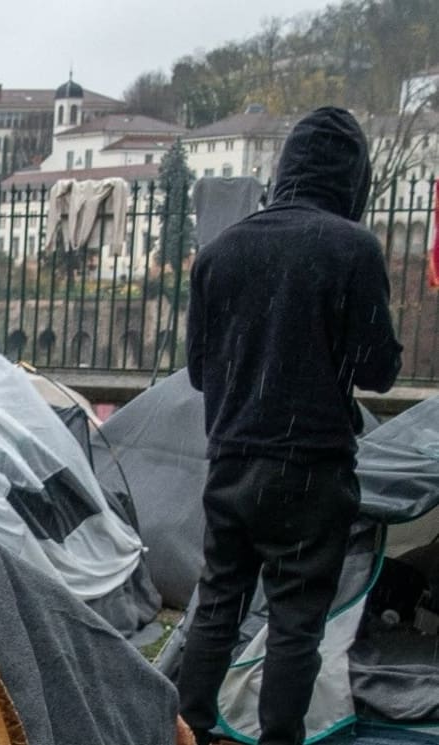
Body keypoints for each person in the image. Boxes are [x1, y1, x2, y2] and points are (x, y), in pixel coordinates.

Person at [177, 106, 403, 745]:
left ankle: (181, 728)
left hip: (231, 460)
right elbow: (379, 371)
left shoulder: (220, 254)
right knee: (296, 623)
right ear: (352, 178)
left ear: (286, 169)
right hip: (312, 468)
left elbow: (198, 373)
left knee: (217, 607)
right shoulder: (352, 249)